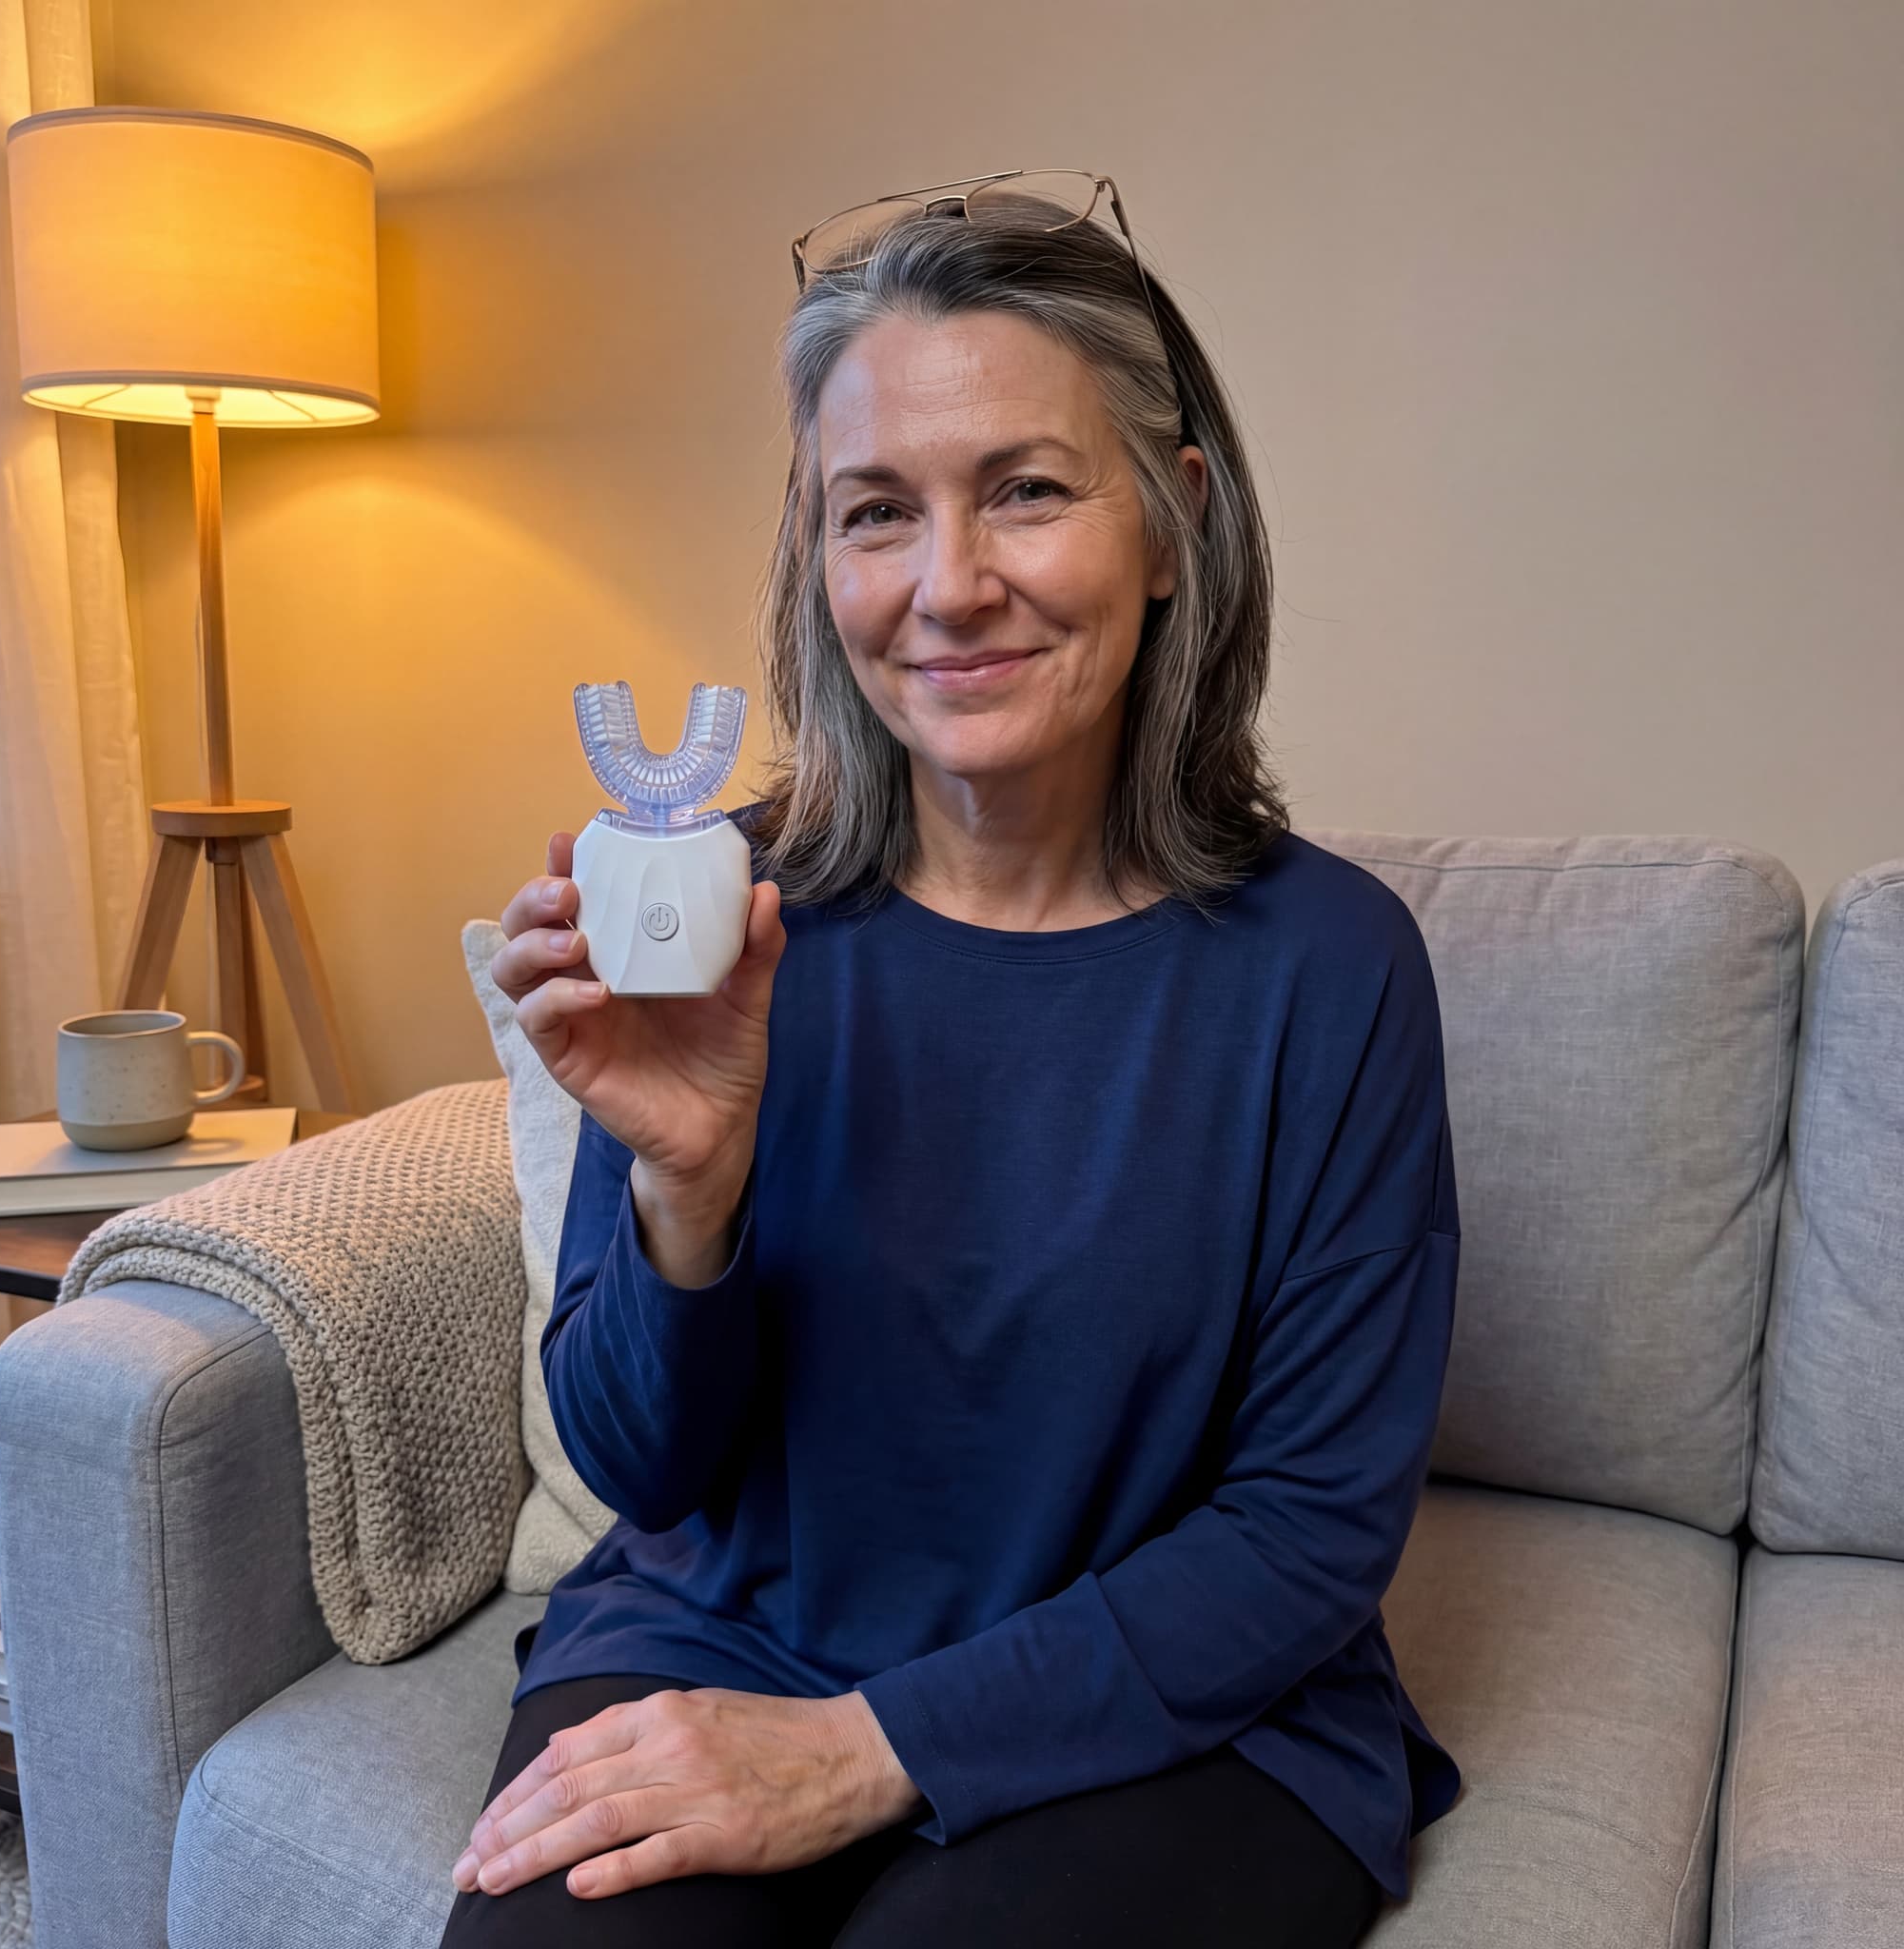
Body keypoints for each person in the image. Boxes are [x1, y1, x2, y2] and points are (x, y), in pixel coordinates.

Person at [440, 171, 1462, 1949]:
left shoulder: (1331, 967)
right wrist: (688, 1187)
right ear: (818, 556)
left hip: (1176, 1714)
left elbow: (1306, 1532)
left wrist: (865, 1752)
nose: (950, 587)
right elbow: (639, 1469)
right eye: (877, 513)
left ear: (1173, 522)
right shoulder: (714, 916)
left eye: (1029, 491)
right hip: (728, 1632)